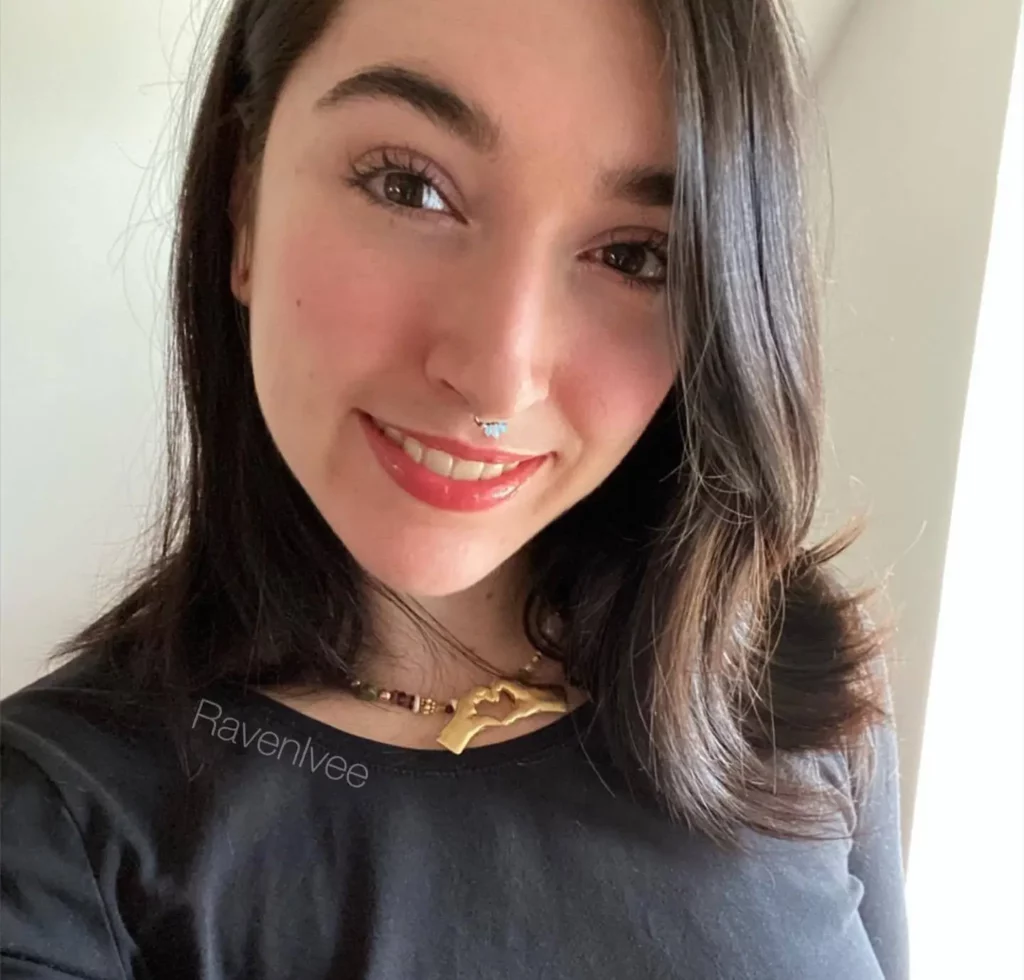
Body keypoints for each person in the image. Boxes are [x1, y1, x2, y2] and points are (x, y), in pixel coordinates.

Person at [0, 0, 910, 977]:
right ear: (241, 202)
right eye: (409, 187)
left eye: (634, 255)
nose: (497, 379)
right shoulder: (56, 833)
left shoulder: (785, 664)